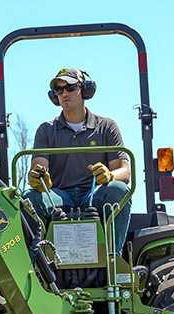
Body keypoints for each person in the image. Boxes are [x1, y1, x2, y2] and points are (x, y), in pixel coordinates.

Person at [24, 68, 132, 254]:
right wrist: (39, 179)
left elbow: (124, 171)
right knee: (29, 199)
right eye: (59, 90)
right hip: (58, 196)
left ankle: (113, 259)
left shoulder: (106, 127)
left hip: (94, 195)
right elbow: (38, 168)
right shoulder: (46, 130)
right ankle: (38, 264)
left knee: (119, 190)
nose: (64, 93)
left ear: (85, 89)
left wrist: (109, 175)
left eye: (70, 87)